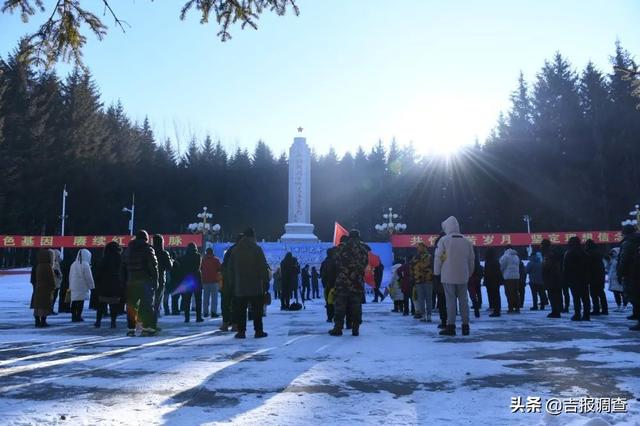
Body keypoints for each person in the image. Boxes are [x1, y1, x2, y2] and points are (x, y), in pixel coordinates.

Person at [434, 216, 475, 336]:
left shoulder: (444, 240)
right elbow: (471, 260)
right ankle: (465, 326)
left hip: (447, 276)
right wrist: (469, 273)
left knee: (450, 301)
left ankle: (450, 326)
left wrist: (437, 273)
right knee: (464, 301)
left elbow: (438, 258)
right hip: (463, 276)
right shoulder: (467, 241)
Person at [230, 228, 270, 339]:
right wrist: (266, 281)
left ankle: (241, 332)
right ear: (253, 236)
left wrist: (233, 283)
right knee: (257, 310)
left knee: (241, 311)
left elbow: (230, 269)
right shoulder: (257, 249)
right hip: (255, 286)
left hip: (240, 287)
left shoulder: (236, 250)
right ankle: (258, 331)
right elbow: (263, 266)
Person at [329, 229, 369, 337]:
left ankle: (338, 328)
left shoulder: (342, 248)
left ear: (349, 236)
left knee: (340, 306)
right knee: (356, 306)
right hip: (357, 282)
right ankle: (355, 329)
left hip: (343, 282)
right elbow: (365, 264)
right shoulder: (363, 249)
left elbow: (335, 262)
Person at [122, 230, 159, 336]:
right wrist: (155, 280)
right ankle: (146, 327)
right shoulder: (148, 249)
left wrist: (125, 280)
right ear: (146, 239)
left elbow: (123, 267)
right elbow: (154, 266)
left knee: (131, 305)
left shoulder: (128, 250)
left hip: (131, 281)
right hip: (145, 281)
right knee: (146, 305)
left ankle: (131, 328)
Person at [93, 242, 125, 328]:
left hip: (104, 285)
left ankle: (98, 322)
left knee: (101, 304)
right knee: (113, 305)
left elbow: (98, 273)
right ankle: (113, 322)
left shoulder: (103, 259)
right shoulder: (120, 259)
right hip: (115, 284)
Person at [618, 224, 640, 331]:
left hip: (632, 273)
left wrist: (620, 273)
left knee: (635, 296)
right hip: (635, 271)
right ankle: (636, 314)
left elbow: (624, 260)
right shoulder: (636, 240)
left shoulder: (628, 243)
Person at [563, 236, 590, 321]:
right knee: (585, 297)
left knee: (576, 298)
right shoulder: (584, 253)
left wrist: (565, 278)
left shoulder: (569, 253)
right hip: (584, 278)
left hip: (574, 278)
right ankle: (586, 315)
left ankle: (577, 314)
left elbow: (566, 267)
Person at [179, 243, 203, 323]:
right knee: (198, 300)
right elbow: (197, 267)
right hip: (196, 280)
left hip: (187, 280)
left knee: (187, 300)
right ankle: (198, 317)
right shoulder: (198, 256)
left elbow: (181, 269)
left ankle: (187, 318)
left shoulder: (183, 258)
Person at [69, 249, 95, 322]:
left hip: (73, 285)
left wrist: (70, 285)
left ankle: (73, 316)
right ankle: (78, 316)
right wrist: (92, 286)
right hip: (82, 286)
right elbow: (88, 277)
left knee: (74, 301)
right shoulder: (85, 265)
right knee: (80, 302)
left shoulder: (73, 264)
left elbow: (70, 275)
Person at [410, 242, 434, 322]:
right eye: (418, 247)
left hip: (428, 280)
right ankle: (423, 315)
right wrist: (413, 276)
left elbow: (431, 267)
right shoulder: (415, 257)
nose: (419, 249)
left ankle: (429, 315)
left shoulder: (429, 257)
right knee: (421, 299)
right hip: (418, 281)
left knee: (428, 299)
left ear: (424, 247)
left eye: (420, 247)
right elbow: (411, 268)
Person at [152, 235, 173, 323]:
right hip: (160, 280)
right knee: (157, 302)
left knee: (148, 302)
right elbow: (169, 266)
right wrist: (171, 261)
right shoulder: (164, 253)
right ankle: (153, 323)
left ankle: (146, 322)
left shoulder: (150, 251)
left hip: (150, 279)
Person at [33, 249, 56, 327]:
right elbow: (51, 278)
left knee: (37, 305)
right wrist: (53, 286)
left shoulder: (38, 265)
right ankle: (43, 321)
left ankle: (37, 321)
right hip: (46, 288)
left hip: (38, 287)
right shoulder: (47, 266)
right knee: (44, 305)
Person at [585, 239, 608, 316]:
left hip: (593, 276)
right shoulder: (598, 252)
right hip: (600, 275)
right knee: (601, 293)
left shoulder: (589, 253)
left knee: (594, 294)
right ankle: (605, 309)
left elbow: (588, 265)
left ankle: (596, 309)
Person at [541, 239, 563, 318]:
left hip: (551, 277)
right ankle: (558, 309)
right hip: (556, 277)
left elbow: (547, 265)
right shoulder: (553, 252)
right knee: (557, 294)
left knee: (552, 295)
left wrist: (543, 267)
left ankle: (555, 311)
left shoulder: (548, 254)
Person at [500, 245, 521, 314]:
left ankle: (510, 308)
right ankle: (517, 308)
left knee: (509, 293)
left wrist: (501, 273)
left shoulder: (505, 256)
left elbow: (501, 266)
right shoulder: (516, 256)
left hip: (508, 277)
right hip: (516, 277)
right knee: (515, 292)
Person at [201, 248, 222, 318]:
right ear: (212, 252)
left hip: (205, 281)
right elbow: (220, 270)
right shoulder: (216, 260)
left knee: (205, 298)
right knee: (214, 299)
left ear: (206, 252)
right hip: (214, 281)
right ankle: (213, 312)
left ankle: (205, 312)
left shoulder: (203, 260)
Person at [432, 232, 447, 329]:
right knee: (452, 300)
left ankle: (444, 321)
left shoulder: (440, 245)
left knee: (442, 300)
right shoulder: (457, 243)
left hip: (441, 277)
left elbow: (437, 261)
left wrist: (436, 274)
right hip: (457, 276)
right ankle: (463, 324)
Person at [320, 247, 338, 322]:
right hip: (335, 285)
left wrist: (325, 284)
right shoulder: (335, 261)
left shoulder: (325, 262)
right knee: (336, 302)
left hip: (328, 285)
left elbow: (322, 274)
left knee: (329, 302)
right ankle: (335, 317)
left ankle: (329, 317)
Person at [607, 247, 627, 312]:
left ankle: (624, 306)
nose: (612, 253)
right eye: (612, 252)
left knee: (622, 293)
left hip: (619, 279)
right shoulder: (612, 260)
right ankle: (619, 306)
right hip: (613, 280)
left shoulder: (620, 261)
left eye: (614, 252)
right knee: (616, 293)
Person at [484, 248, 502, 317]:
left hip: (490, 281)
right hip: (496, 281)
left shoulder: (488, 261)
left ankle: (496, 310)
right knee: (497, 295)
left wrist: (485, 281)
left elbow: (486, 273)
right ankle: (497, 309)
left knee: (493, 296)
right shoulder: (496, 261)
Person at [468, 249, 483, 318]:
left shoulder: (469, 259)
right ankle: (478, 304)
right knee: (478, 292)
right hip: (477, 279)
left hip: (471, 279)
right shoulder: (476, 259)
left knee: (472, 294)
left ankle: (476, 306)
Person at [51, 250, 63, 315]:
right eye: (58, 256)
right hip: (54, 283)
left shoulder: (56, 262)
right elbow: (56, 271)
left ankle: (51, 308)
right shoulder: (54, 263)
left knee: (54, 297)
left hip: (56, 283)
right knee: (53, 297)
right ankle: (50, 309)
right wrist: (60, 275)